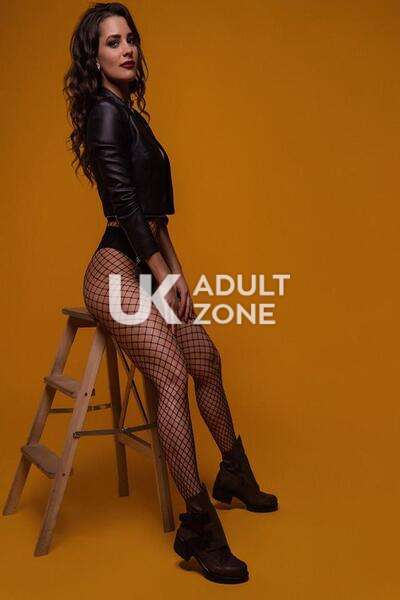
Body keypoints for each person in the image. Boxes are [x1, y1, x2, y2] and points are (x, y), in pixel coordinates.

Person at [63, 2, 278, 584]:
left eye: (130, 38)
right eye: (113, 42)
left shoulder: (133, 117)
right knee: (170, 370)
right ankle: (199, 526)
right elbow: (126, 210)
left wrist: (176, 277)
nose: (127, 48)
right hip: (114, 270)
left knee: (205, 357)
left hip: (148, 266)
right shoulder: (104, 114)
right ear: (94, 58)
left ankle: (232, 470)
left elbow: (156, 218)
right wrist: (161, 273)